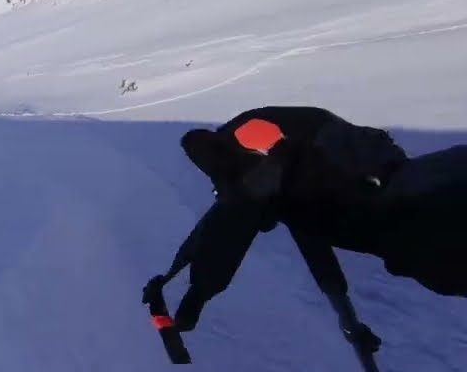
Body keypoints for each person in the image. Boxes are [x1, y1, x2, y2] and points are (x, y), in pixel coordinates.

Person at [143, 105, 467, 355]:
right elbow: (305, 234)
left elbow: (233, 223)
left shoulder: (254, 140)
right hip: (401, 206)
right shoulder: (288, 187)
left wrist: (195, 298)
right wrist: (347, 317)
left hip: (407, 204)